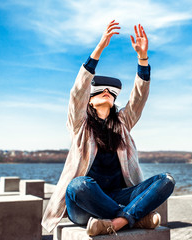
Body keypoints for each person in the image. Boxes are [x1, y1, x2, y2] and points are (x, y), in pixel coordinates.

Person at [41, 20, 175, 236]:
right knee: (78, 185)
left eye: (111, 92)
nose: (107, 92)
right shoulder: (80, 124)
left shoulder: (123, 123)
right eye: (100, 91)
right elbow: (77, 92)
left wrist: (142, 57)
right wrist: (100, 47)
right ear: (89, 101)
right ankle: (134, 217)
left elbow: (139, 98)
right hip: (84, 205)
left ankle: (120, 221)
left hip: (118, 196)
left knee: (165, 180)